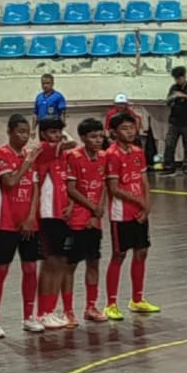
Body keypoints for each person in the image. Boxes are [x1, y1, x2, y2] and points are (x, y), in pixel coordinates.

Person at [0, 114, 46, 339]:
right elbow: (10, 183)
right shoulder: (0, 153)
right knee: (1, 269)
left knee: (30, 268)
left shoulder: (32, 156)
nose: (24, 136)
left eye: (27, 132)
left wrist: (31, 217)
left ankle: (29, 316)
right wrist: (27, 163)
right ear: (9, 132)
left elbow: (35, 188)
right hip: (6, 222)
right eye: (20, 131)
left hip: (28, 223)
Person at [104, 112, 160, 318]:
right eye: (124, 128)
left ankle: (137, 299)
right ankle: (111, 303)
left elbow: (144, 181)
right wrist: (138, 202)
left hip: (139, 211)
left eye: (132, 127)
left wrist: (146, 207)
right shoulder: (111, 154)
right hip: (121, 213)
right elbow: (114, 188)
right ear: (114, 132)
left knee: (141, 251)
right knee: (119, 255)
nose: (129, 132)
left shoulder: (138, 151)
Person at [34, 117, 77, 329]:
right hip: (47, 212)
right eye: (52, 132)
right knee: (50, 263)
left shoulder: (61, 155)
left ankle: (50, 309)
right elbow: (73, 142)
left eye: (59, 131)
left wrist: (69, 204)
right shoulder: (44, 149)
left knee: (59, 261)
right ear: (42, 134)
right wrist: (61, 136)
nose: (58, 136)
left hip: (61, 214)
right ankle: (43, 312)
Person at [66, 118, 110, 323]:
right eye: (93, 137)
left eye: (101, 136)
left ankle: (91, 307)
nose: (98, 140)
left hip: (95, 220)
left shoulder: (103, 158)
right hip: (76, 219)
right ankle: (68, 311)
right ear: (83, 138)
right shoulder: (73, 157)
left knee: (93, 262)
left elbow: (102, 186)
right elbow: (71, 189)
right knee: (71, 265)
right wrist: (92, 208)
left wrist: (97, 212)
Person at [162, 66, 187, 178]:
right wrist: (172, 97)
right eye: (176, 79)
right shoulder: (174, 87)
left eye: (180, 78)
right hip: (174, 122)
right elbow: (167, 101)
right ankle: (169, 168)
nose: (178, 81)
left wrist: (183, 95)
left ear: (184, 77)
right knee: (169, 145)